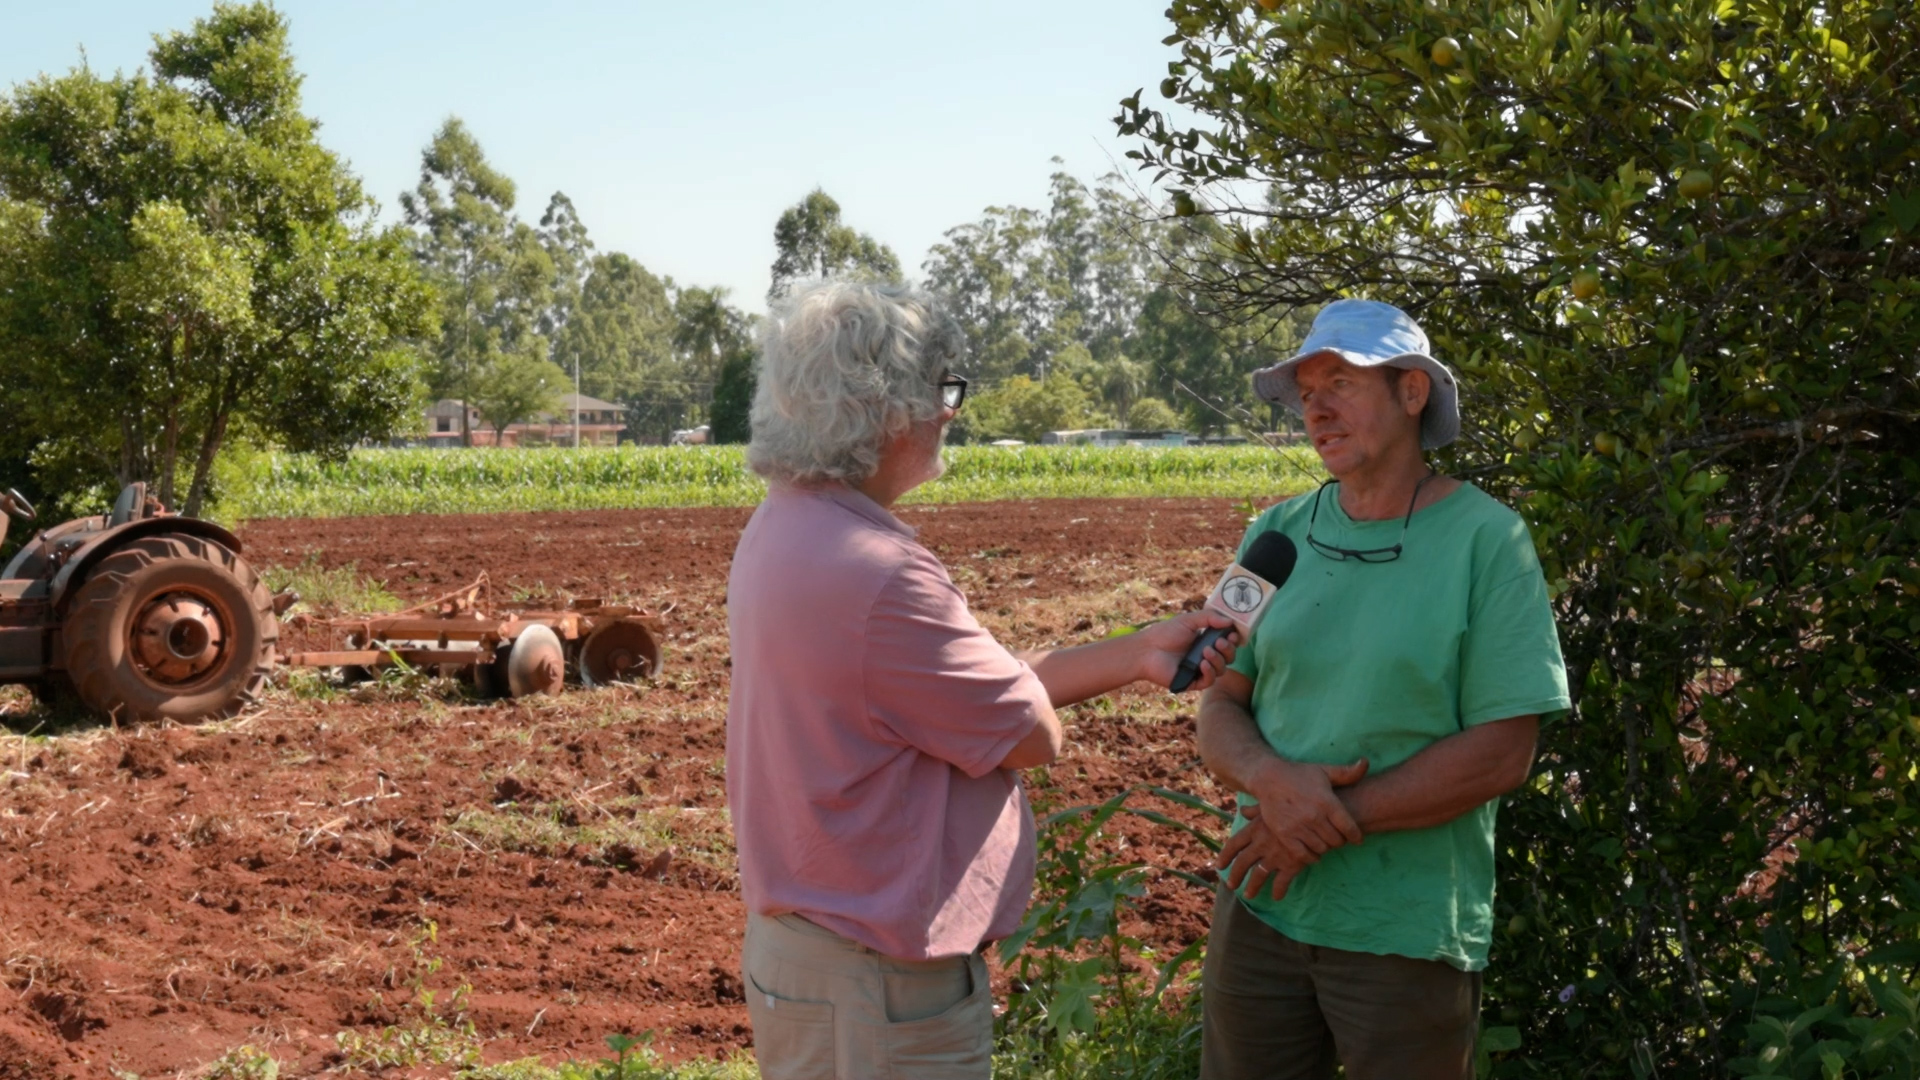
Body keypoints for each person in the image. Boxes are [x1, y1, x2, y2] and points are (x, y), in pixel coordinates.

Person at [726, 279, 1237, 1080]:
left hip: (808, 956)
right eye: (940, 389)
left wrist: (1140, 652)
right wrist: (1037, 699)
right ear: (882, 407)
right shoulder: (883, 576)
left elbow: (950, 706)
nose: (949, 409)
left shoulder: (784, 524)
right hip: (882, 988)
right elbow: (1030, 735)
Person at [1196, 299, 1570, 1080]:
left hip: (1404, 926)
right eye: (1305, 392)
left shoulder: (1488, 542)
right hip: (1259, 900)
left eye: (1340, 381)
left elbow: (1503, 752)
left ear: (1412, 393)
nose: (1317, 407)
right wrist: (1270, 781)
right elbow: (1219, 700)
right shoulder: (1273, 536)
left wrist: (1315, 820)